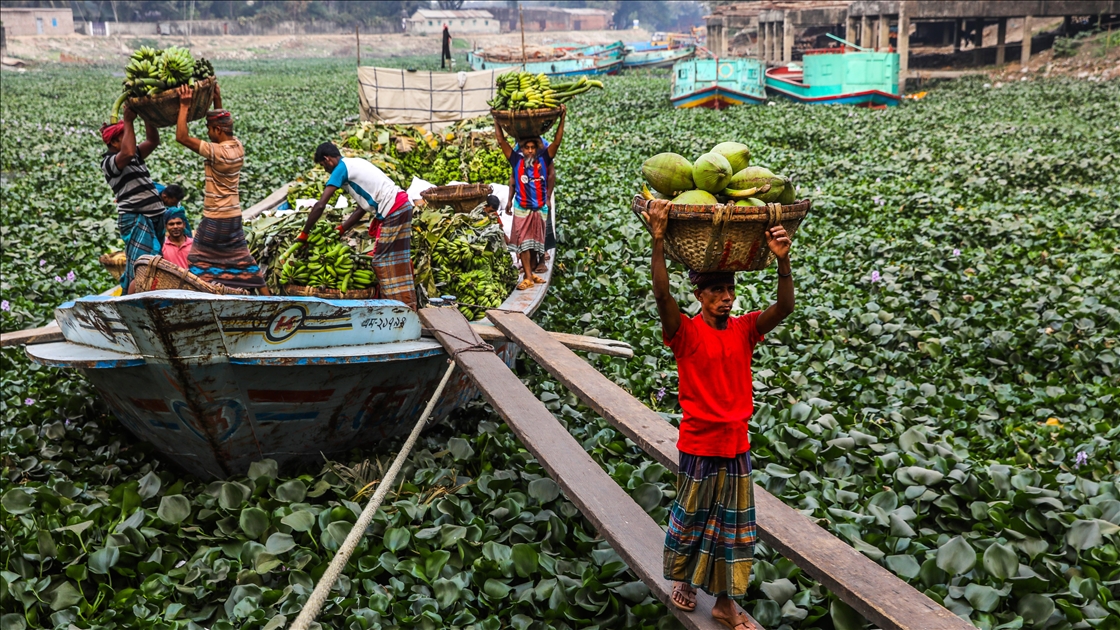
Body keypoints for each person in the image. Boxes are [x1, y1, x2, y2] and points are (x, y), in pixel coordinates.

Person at [644, 200, 794, 630]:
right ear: (699, 295)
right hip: (699, 444)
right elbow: (662, 295)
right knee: (691, 520)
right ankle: (685, 580)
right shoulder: (684, 332)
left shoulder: (746, 329)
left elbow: (784, 308)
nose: (726, 298)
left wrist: (783, 263)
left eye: (730, 291)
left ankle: (726, 604)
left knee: (733, 530)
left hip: (736, 445)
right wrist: (658, 239)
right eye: (716, 292)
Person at [174, 84, 268, 293]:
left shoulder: (217, 152)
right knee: (244, 261)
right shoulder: (237, 146)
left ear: (217, 130)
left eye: (209, 129)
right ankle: (270, 301)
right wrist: (218, 100)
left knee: (197, 260)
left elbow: (181, 137)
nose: (208, 133)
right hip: (233, 216)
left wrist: (184, 105)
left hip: (216, 218)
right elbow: (222, 125)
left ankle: (205, 298)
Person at [300, 143, 417, 309]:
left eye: (323, 165)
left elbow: (320, 205)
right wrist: (342, 228)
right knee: (399, 259)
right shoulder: (354, 163)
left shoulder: (341, 169)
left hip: (393, 209)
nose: (325, 169)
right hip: (402, 205)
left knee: (381, 261)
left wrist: (304, 233)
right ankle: (408, 304)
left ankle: (393, 308)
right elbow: (362, 208)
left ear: (327, 159)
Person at [495, 108, 565, 289]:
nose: (530, 151)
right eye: (527, 148)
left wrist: (562, 119)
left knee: (536, 242)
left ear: (537, 149)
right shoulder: (516, 160)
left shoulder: (544, 160)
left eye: (533, 148)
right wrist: (496, 120)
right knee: (524, 243)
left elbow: (557, 141)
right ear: (522, 149)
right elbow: (501, 141)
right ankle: (527, 276)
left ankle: (531, 273)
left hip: (539, 207)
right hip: (522, 207)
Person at [99, 105, 165, 293]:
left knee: (152, 267)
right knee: (144, 270)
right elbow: (127, 152)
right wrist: (128, 120)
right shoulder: (110, 162)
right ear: (114, 142)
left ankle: (134, 301)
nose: (132, 139)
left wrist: (146, 114)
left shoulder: (135, 154)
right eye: (126, 135)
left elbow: (152, 141)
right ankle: (134, 306)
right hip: (136, 217)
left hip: (155, 216)